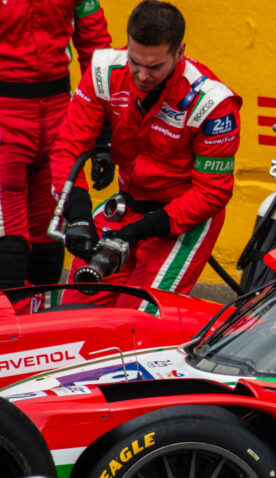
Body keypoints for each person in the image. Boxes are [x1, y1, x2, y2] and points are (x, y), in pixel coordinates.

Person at [51, 0, 241, 309]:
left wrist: (140, 231)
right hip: (127, 206)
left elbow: (212, 192)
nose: (141, 75)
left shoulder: (212, 103)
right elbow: (68, 147)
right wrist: (78, 215)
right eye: (135, 61)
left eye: (154, 66)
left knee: (136, 324)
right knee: (72, 315)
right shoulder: (104, 71)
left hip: (181, 218)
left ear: (179, 52)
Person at [0, 0, 112, 290]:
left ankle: (42, 330)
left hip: (60, 114)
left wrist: (104, 131)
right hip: (4, 116)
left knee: (49, 241)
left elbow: (96, 50)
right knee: (6, 248)